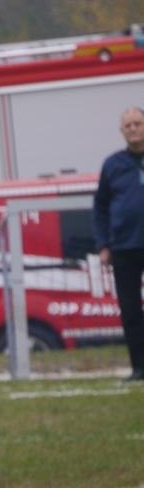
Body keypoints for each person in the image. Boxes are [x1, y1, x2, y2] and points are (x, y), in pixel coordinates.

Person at [93, 105, 144, 383]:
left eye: (138, 123)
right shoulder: (112, 165)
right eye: (128, 125)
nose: (133, 129)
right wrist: (104, 244)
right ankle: (139, 368)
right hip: (124, 248)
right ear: (122, 131)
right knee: (131, 310)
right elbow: (100, 207)